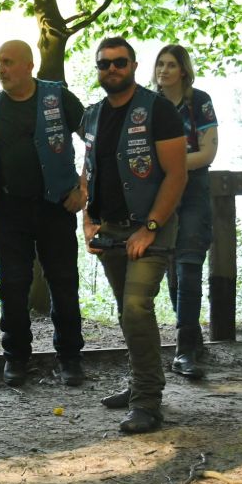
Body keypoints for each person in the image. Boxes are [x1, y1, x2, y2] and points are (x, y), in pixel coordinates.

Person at [0, 40, 87, 388]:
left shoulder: (58, 98)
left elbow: (95, 138)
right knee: (12, 285)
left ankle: (70, 358)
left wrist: (83, 187)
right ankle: (15, 357)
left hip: (56, 206)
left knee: (63, 282)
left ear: (29, 66)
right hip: (9, 209)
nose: (1, 69)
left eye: (8, 62)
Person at [83, 36, 187, 434]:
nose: (112, 69)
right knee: (127, 312)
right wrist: (88, 220)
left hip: (151, 229)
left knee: (136, 307)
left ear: (134, 66)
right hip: (109, 229)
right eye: (104, 63)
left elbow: (176, 174)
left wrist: (151, 227)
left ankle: (147, 402)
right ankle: (139, 382)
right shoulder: (93, 115)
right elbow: (89, 170)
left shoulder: (158, 110)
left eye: (120, 62)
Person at [152, 45, 218, 379]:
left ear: (183, 71)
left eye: (171, 65)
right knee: (172, 269)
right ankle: (191, 336)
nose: (164, 70)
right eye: (160, 64)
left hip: (193, 190)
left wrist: (170, 164)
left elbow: (207, 153)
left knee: (189, 264)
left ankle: (184, 351)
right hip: (162, 192)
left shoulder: (199, 102)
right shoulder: (149, 104)